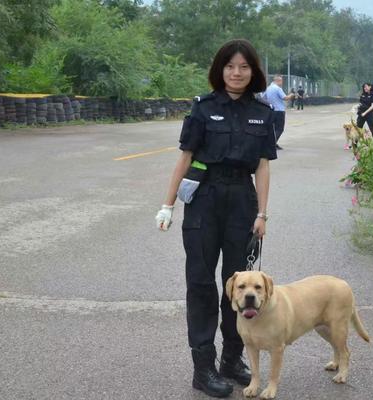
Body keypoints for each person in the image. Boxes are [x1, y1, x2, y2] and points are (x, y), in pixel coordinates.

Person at [155, 39, 276, 398]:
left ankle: (231, 360)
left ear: (253, 72)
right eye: (229, 66)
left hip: (241, 201)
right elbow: (185, 157)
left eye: (243, 67)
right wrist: (168, 204)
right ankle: (203, 367)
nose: (236, 73)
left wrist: (262, 213)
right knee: (202, 285)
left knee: (238, 286)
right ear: (219, 70)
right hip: (204, 200)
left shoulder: (263, 113)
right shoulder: (203, 109)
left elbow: (263, 167)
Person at [263, 75, 294, 150]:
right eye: (281, 81)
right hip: (279, 111)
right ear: (278, 81)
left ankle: (273, 143)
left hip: (271, 111)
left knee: (272, 129)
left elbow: (263, 97)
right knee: (279, 129)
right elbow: (285, 98)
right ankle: (272, 144)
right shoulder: (278, 89)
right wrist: (291, 95)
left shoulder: (268, 88)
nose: (282, 82)